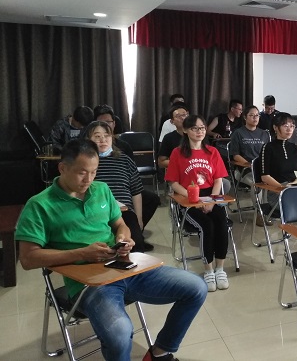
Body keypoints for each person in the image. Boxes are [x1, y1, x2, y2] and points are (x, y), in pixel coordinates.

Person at [15, 139, 207, 361]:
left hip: (125, 268)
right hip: (88, 284)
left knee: (196, 288)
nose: (89, 179)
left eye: (94, 172)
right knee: (120, 332)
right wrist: (82, 253)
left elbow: (120, 224)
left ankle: (160, 352)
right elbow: (28, 259)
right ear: (63, 168)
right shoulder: (39, 205)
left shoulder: (101, 189)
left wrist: (123, 238)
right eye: (82, 173)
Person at [165, 115, 231, 292]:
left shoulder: (212, 151)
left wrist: (211, 201)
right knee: (206, 226)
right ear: (186, 131)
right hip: (188, 198)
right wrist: (193, 197)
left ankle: (220, 269)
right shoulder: (177, 153)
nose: (200, 131)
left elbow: (218, 180)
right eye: (195, 128)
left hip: (210, 196)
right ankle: (208, 270)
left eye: (202, 128)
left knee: (222, 223)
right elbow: (173, 183)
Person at [83, 121, 150, 252]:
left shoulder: (125, 159)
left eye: (106, 136)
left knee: (136, 245)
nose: (103, 140)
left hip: (124, 212)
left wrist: (139, 219)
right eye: (97, 136)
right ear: (88, 140)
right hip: (97, 212)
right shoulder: (85, 163)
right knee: (102, 247)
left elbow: (136, 191)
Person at [229, 106, 271, 226]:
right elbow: (235, 155)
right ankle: (259, 213)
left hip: (262, 169)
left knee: (270, 182)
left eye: (257, 115)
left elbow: (269, 154)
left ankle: (267, 212)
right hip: (244, 170)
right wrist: (250, 165)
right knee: (256, 183)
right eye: (251, 115)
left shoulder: (264, 134)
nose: (255, 118)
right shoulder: (238, 133)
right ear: (245, 117)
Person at [157, 103, 190, 169]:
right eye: (178, 116)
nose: (183, 118)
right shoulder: (168, 138)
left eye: (184, 115)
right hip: (177, 170)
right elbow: (161, 162)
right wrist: (182, 163)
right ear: (172, 121)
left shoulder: (197, 134)